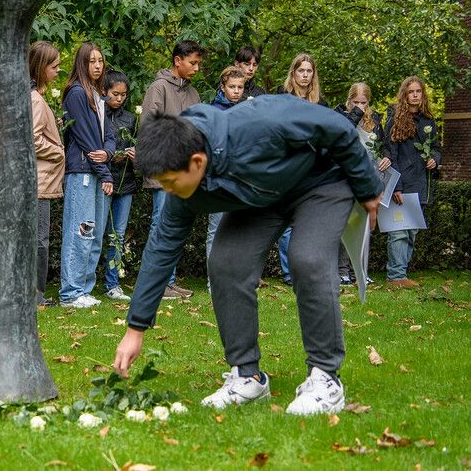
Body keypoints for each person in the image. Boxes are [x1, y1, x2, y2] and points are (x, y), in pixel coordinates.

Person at [113, 96, 383, 416]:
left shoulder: (262, 125)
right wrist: (136, 328)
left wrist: (368, 189)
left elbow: (338, 127)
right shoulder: (184, 185)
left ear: (197, 162)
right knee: (226, 262)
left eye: (171, 182)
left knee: (307, 258)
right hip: (264, 198)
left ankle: (326, 379)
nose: (169, 191)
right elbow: (160, 249)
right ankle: (248, 376)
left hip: (321, 182)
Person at [140, 39, 205, 299]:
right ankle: (157, 284)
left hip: (185, 175)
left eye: (199, 63)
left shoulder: (193, 94)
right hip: (164, 172)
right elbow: (148, 127)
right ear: (177, 61)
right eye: (193, 63)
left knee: (175, 227)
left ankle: (169, 281)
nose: (196, 68)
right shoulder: (158, 89)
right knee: (160, 227)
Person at [58, 42, 116, 308]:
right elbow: (84, 137)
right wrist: (105, 172)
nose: (97, 66)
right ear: (82, 63)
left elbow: (109, 136)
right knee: (80, 231)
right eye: (91, 61)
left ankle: (84, 289)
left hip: (99, 172)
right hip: (83, 171)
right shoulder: (77, 93)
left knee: (94, 234)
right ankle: (70, 293)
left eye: (100, 61)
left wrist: (109, 153)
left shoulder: (98, 94)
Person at [382, 76, 440, 288]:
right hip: (401, 182)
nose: (415, 95)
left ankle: (401, 274)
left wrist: (436, 159)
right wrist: (395, 185)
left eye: (418, 91)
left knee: (411, 231)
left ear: (422, 95)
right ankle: (395, 276)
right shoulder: (395, 119)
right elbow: (390, 152)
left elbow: (436, 148)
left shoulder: (428, 121)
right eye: (411, 92)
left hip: (420, 183)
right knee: (398, 231)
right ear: (404, 95)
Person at [276, 53, 328, 285]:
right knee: (287, 224)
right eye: (301, 71)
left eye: (309, 71)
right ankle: (289, 273)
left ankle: (307, 270)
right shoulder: (281, 96)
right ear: (293, 72)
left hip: (312, 166)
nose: (305, 75)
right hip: (287, 165)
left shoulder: (320, 102)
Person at [334, 82, 389, 284]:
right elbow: (341, 135)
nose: (360, 106)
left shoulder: (375, 119)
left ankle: (360, 270)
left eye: (363, 102)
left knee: (365, 226)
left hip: (368, 177)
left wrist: (386, 157)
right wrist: (355, 112)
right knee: (347, 224)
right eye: (355, 101)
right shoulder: (340, 115)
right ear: (349, 100)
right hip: (345, 177)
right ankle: (342, 271)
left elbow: (383, 145)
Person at [28, 40, 65, 306]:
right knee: (39, 240)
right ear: (41, 68)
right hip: (39, 181)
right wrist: (58, 151)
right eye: (54, 66)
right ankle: (36, 295)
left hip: (39, 180)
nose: (58, 71)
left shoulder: (34, 97)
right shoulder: (35, 99)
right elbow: (32, 138)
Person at [102, 70, 137, 302]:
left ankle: (112, 283)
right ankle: (86, 280)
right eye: (115, 94)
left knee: (118, 234)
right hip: (103, 180)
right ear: (105, 92)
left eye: (124, 95)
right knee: (95, 233)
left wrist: (135, 154)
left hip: (125, 182)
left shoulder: (132, 119)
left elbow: (138, 144)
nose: (119, 98)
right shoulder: (97, 115)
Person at [206, 67, 245, 261]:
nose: (236, 91)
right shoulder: (213, 112)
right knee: (217, 230)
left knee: (238, 231)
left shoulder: (247, 111)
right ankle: (214, 282)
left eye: (240, 87)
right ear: (223, 87)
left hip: (241, 178)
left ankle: (234, 279)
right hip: (220, 178)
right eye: (232, 87)